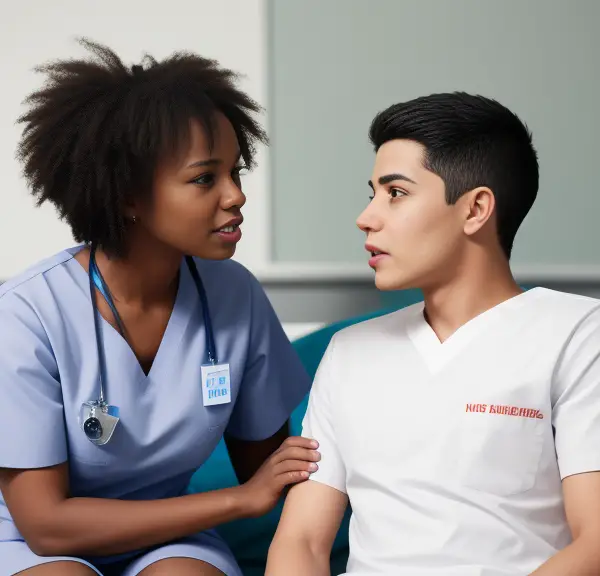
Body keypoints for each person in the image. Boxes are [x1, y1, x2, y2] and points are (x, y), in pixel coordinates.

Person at [0, 39, 320, 576]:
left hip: (170, 536)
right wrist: (239, 501)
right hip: (31, 541)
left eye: (236, 172)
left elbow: (274, 468)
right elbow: (46, 524)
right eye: (204, 178)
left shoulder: (234, 296)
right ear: (127, 195)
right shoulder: (24, 316)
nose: (235, 195)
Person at [266, 92, 600, 575]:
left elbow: (593, 544)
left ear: (475, 209)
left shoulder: (577, 334)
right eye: (372, 193)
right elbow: (302, 542)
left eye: (395, 193)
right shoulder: (348, 352)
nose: (367, 217)